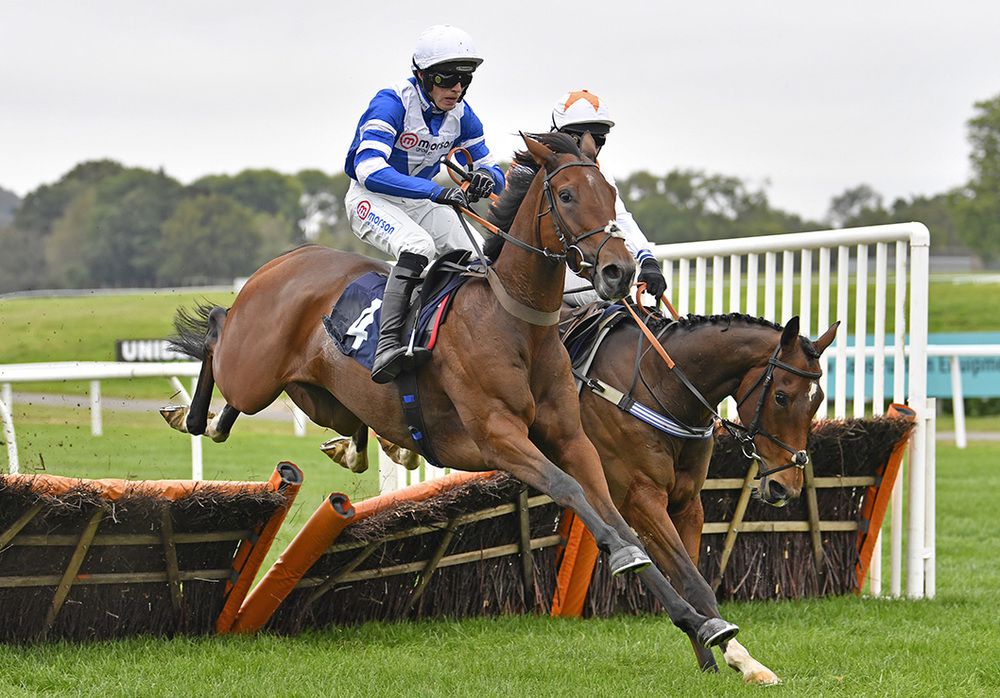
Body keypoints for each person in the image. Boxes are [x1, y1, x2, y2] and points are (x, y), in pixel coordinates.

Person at [344, 25, 505, 383]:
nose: (457, 88)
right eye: (448, 79)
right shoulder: (392, 102)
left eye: (465, 79)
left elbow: (492, 168)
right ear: (423, 76)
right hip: (372, 198)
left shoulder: (462, 114)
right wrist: (432, 191)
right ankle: (387, 346)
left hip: (419, 201)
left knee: (483, 257)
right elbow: (368, 170)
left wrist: (486, 178)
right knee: (418, 245)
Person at [549, 90, 668, 307]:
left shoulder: (599, 175)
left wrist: (647, 259)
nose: (591, 147)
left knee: (644, 300)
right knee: (607, 296)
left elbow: (620, 219)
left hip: (582, 264)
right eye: (581, 138)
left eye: (598, 139)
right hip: (545, 269)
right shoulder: (537, 169)